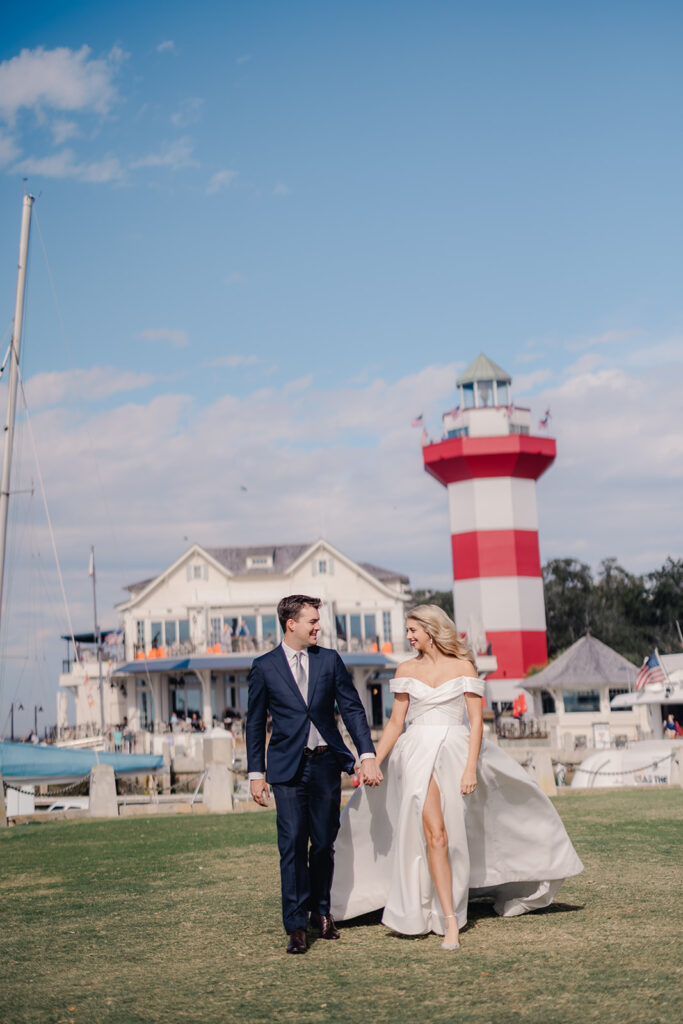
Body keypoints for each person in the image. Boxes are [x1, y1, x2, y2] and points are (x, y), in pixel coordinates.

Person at [330, 605, 583, 951]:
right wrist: (372, 759)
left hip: (453, 753)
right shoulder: (405, 669)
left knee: (453, 836)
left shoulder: (463, 667)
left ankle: (445, 908)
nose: (408, 636)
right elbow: (394, 723)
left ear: (432, 630)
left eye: (413, 629)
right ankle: (447, 919)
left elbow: (476, 722)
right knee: (435, 834)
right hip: (416, 754)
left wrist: (469, 768)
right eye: (407, 630)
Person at [246, 594, 382, 955]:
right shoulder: (264, 667)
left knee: (323, 842)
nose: (318, 626)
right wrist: (255, 774)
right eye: (312, 621)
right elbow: (255, 723)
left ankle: (322, 911)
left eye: (318, 620)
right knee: (291, 844)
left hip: (325, 764)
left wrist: (366, 753)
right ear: (291, 624)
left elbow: (351, 708)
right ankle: (295, 924)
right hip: (286, 769)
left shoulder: (330, 661)